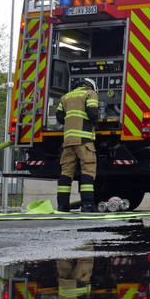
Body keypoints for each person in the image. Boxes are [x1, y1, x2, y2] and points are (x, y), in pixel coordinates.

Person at [56, 77, 99, 213]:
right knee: (88, 170)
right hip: (84, 140)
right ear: (90, 86)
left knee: (66, 173)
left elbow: (59, 116)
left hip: (68, 141)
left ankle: (62, 206)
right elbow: (92, 113)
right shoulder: (90, 93)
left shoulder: (65, 97)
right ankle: (87, 205)